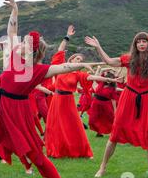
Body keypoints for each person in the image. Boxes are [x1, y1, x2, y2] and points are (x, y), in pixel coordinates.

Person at [0, 0, 102, 178]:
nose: (21, 42)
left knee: (37, 157)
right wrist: (15, 10)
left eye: (26, 41)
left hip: (19, 115)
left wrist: (82, 64)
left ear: (33, 48)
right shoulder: (14, 56)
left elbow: (63, 67)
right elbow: (12, 30)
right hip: (1, 113)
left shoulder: (40, 70)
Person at [85, 33, 148, 178]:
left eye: (144, 42)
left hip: (146, 99)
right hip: (128, 97)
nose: (141, 44)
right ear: (135, 44)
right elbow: (109, 61)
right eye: (139, 42)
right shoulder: (128, 58)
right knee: (115, 133)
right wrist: (98, 47)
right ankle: (102, 168)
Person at [45, 26, 114, 158]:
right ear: (71, 60)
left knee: (74, 125)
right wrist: (67, 36)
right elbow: (60, 50)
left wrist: (108, 79)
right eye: (77, 60)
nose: (79, 62)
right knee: (56, 125)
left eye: (81, 61)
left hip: (69, 100)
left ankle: (81, 151)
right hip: (57, 99)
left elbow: (91, 77)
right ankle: (57, 150)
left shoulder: (77, 74)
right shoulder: (60, 67)